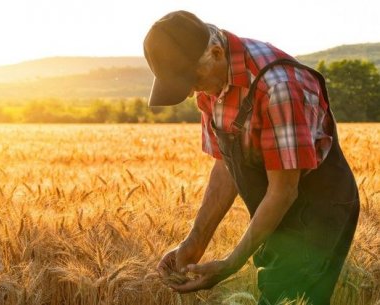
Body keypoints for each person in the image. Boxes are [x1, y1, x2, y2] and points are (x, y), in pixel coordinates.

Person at [143, 10, 360, 305]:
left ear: (217, 53)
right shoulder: (211, 80)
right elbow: (226, 166)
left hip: (316, 208)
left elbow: (283, 190)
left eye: (192, 80)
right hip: (274, 207)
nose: (193, 92)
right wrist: (194, 243)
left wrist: (231, 264)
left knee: (282, 296)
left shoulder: (279, 87)